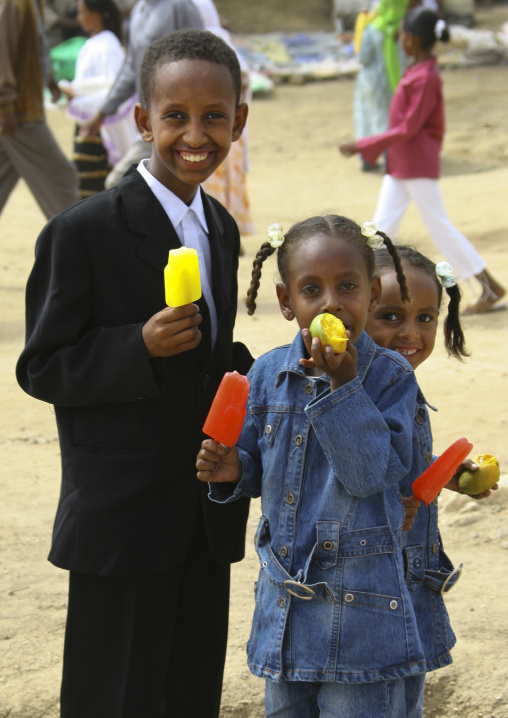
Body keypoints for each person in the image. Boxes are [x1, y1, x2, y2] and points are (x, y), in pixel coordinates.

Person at [16, 28, 252, 718]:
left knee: (189, 688)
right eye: (175, 116)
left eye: (215, 116)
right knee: (114, 695)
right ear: (143, 120)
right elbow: (43, 366)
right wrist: (136, 346)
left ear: (238, 121)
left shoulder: (221, 228)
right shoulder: (84, 232)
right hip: (123, 520)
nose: (195, 135)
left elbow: (215, 358)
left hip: (202, 515)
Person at [196, 215, 433, 717]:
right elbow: (263, 467)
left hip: (362, 618)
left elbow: (370, 476)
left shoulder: (391, 378)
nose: (331, 302)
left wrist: (343, 387)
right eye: (311, 289)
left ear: (371, 293)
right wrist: (233, 470)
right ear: (287, 302)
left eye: (347, 286)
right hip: (285, 613)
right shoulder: (265, 374)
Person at [366, 243, 499, 716]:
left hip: (410, 582)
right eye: (390, 316)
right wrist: (382, 499)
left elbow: (397, 461)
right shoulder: (348, 390)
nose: (410, 332)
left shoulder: (400, 383)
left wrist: (442, 473)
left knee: (405, 698)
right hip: (365, 595)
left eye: (426, 318)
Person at [340, 6, 506, 315]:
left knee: (437, 227)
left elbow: (409, 127)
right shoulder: (418, 71)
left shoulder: (427, 77)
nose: (400, 39)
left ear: (413, 40)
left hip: (414, 165)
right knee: (381, 227)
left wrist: (365, 143)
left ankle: (488, 285)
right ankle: (358, 289)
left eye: (402, 34)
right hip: (403, 164)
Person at [79, 0, 203, 189]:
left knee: (119, 184)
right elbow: (131, 67)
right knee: (161, 188)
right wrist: (102, 112)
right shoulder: (139, 10)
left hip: (174, 120)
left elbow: (202, 58)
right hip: (149, 121)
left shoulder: (179, 6)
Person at [0, 0, 80, 219]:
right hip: (19, 112)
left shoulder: (32, 3)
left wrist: (49, 80)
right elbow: (2, 52)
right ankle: (75, 243)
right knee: (62, 177)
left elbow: (34, 47)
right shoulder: (13, 4)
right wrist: (5, 104)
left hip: (20, 108)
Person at [60, 0, 138, 197]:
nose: (79, 18)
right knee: (86, 183)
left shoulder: (108, 46)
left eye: (81, 12)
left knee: (94, 184)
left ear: (96, 13)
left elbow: (112, 89)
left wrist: (79, 99)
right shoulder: (93, 43)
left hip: (99, 128)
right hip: (89, 123)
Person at [353, 0, 408, 172]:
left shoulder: (373, 28)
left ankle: (367, 158)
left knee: (368, 119)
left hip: (372, 83)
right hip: (397, 82)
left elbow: (364, 57)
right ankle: (390, 158)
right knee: (391, 120)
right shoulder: (406, 31)